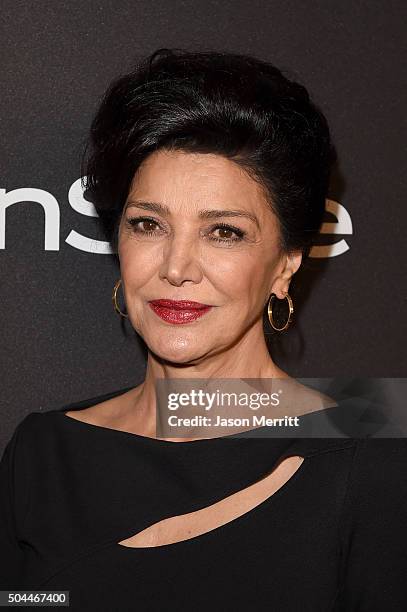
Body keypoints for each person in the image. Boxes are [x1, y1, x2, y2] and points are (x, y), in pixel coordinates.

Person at [1, 47, 406, 611]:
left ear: (287, 263)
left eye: (224, 233)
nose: (175, 267)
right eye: (148, 224)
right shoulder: (44, 451)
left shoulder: (374, 458)